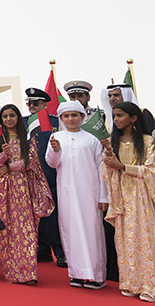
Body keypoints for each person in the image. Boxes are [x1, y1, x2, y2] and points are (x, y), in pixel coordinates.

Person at [46, 100, 108, 289]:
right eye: (67, 116)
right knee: (70, 231)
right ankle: (77, 274)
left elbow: (101, 170)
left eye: (75, 115)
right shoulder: (56, 137)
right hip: (67, 193)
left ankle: (97, 276)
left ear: (82, 117)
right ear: (62, 118)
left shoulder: (92, 139)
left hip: (90, 194)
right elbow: (51, 163)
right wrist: (55, 150)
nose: (71, 119)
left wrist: (103, 197)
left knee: (92, 232)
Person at [0, 104, 54, 284]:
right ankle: (12, 272)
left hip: (25, 192)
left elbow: (32, 164)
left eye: (12, 115)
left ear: (18, 118)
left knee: (26, 231)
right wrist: (3, 155)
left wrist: (9, 166)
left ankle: (28, 274)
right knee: (7, 230)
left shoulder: (28, 141)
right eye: (5, 116)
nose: (8, 119)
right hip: (5, 192)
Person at [101, 101, 155, 301]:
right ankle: (131, 283)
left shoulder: (148, 141)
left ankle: (150, 285)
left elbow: (151, 171)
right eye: (114, 116)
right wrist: (109, 161)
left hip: (142, 198)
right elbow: (106, 173)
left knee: (146, 239)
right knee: (125, 241)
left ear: (133, 118)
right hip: (121, 196)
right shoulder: (111, 142)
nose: (116, 120)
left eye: (121, 115)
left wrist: (122, 166)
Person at [66, 80, 117, 282]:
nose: (76, 100)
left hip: (100, 182)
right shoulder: (64, 122)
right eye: (73, 97)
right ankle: (79, 272)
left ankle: (103, 272)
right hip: (70, 186)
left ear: (88, 97)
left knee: (99, 231)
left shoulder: (100, 117)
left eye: (80, 96)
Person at [24, 87, 65, 267]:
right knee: (35, 216)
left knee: (54, 216)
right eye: (29, 103)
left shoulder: (56, 121)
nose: (32, 106)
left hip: (52, 174)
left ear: (44, 104)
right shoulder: (24, 123)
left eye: (36, 103)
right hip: (31, 176)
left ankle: (59, 251)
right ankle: (41, 251)